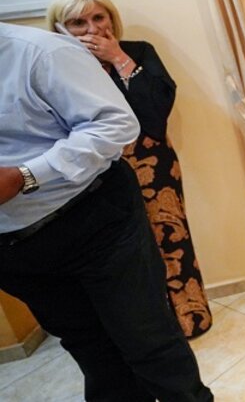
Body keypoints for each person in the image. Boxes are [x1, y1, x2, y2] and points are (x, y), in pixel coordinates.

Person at [0, 21, 212, 401]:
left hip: (94, 220)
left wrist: (26, 175)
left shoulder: (42, 53)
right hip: (15, 250)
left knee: (149, 341)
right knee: (91, 352)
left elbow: (117, 123)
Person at [46, 0, 212, 338]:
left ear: (111, 18)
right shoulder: (55, 67)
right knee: (123, 254)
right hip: (96, 174)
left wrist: (118, 58)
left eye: (98, 17)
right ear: (60, 28)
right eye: (77, 23)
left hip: (153, 165)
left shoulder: (138, 52)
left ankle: (191, 318)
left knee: (171, 239)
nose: (92, 29)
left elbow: (156, 112)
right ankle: (147, 332)